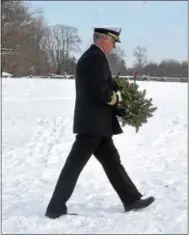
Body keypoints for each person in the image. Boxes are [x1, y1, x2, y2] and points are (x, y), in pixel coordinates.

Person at [45, 26, 155, 219]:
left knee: (113, 163)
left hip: (97, 125)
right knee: (74, 165)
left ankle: (130, 199)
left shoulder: (91, 57)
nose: (114, 46)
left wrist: (119, 85)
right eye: (113, 42)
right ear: (104, 39)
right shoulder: (95, 58)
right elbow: (100, 89)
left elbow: (100, 82)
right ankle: (55, 208)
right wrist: (119, 101)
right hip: (93, 125)